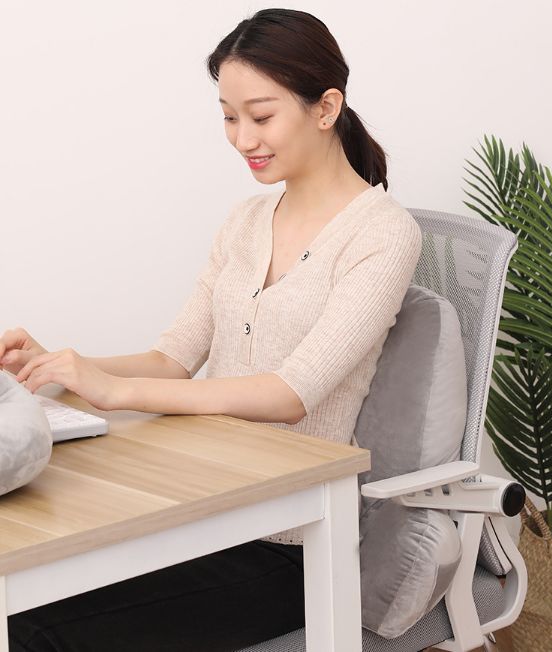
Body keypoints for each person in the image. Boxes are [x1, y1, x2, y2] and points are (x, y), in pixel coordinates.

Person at [1, 8, 422, 651]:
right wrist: (60, 364)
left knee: (33, 631)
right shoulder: (245, 220)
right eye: (228, 117)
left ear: (326, 107)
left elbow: (291, 393)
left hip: (290, 543)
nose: (242, 138)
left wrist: (118, 392)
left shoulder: (383, 233)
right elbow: (172, 358)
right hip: (197, 505)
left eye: (260, 116)